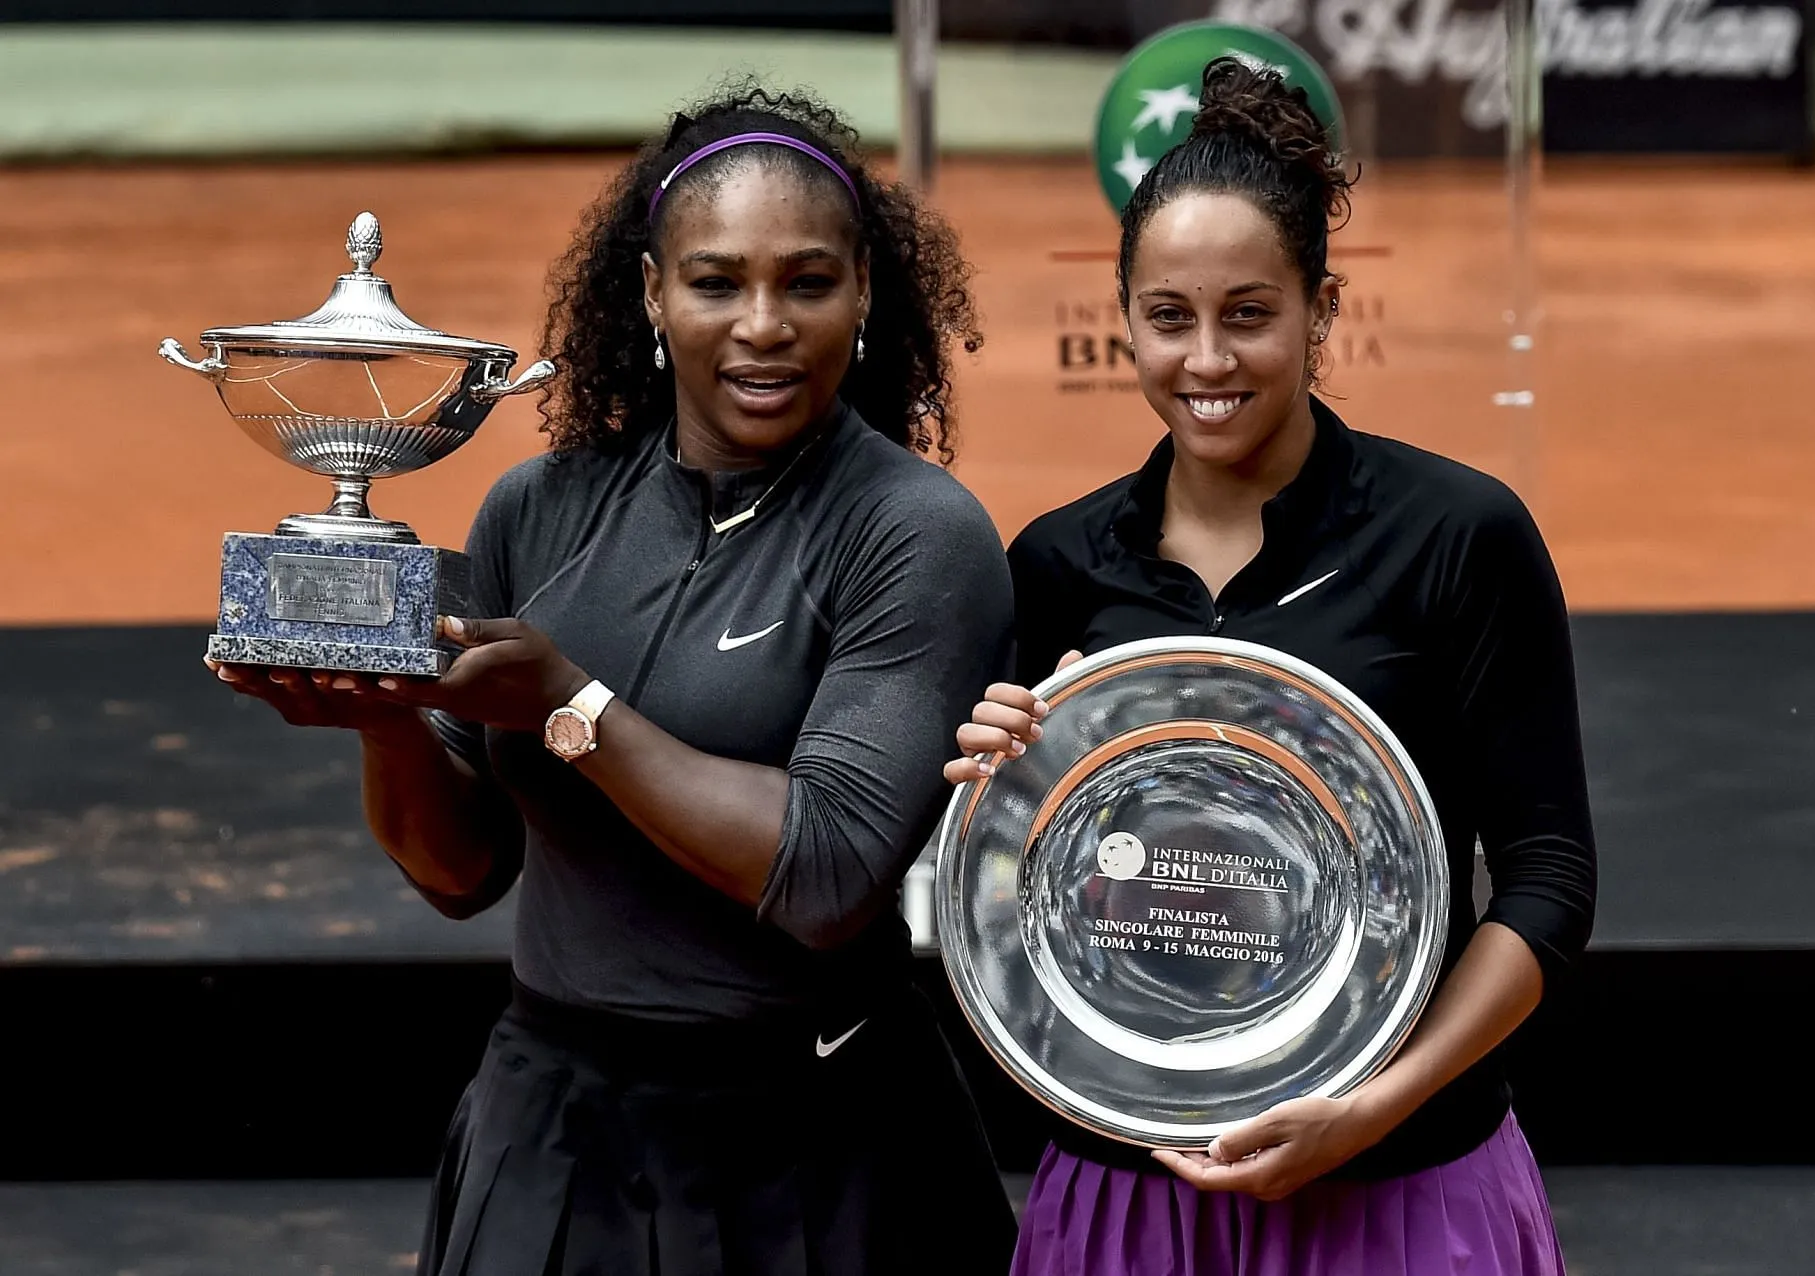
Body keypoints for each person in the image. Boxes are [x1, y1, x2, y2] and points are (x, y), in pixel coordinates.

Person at [210, 84, 1019, 1276]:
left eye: (806, 282)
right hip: (553, 1132)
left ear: (862, 296)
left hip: (819, 1147)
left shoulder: (915, 533)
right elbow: (460, 872)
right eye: (714, 281)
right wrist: (383, 728)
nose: (762, 324)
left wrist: (568, 708)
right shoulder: (541, 511)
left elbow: (829, 873)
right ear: (651, 292)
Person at [943, 57, 1597, 1276]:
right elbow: (1013, 913)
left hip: (1405, 1184)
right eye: (1167, 317)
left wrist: (1375, 1102)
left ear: (1322, 310)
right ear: (1122, 314)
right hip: (1133, 1192)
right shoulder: (1057, 564)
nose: (1206, 361)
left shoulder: (1457, 537)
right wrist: (994, 799)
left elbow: (1550, 883)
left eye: (1250, 314)